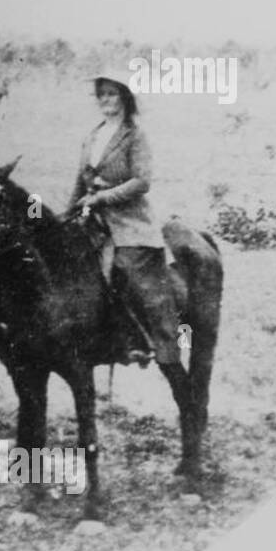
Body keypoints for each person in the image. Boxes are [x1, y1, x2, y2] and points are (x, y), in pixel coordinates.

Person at [64, 74, 180, 366]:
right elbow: (81, 181)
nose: (105, 99)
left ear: (125, 98)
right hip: (92, 220)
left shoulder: (135, 135)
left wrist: (102, 198)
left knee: (123, 268)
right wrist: (67, 216)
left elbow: (142, 181)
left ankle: (140, 340)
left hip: (129, 221)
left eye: (112, 94)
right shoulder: (93, 136)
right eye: (101, 94)